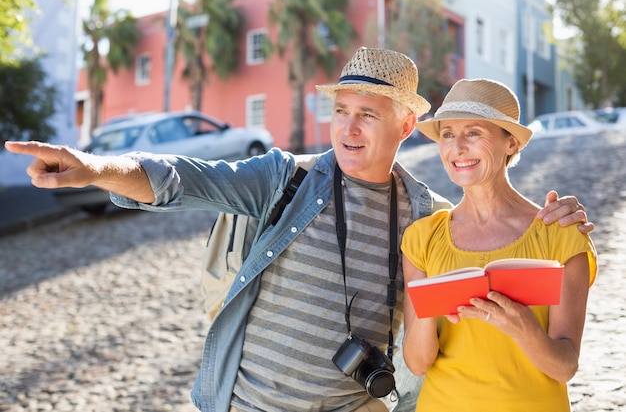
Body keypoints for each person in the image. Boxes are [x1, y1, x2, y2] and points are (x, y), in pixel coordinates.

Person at [4, 48, 592, 412]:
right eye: (341, 110)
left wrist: (561, 221)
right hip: (249, 404)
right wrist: (90, 167)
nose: (349, 127)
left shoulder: (426, 214)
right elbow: (183, 176)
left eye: (368, 113)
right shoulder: (285, 179)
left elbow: (492, 226)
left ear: (407, 124)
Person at [400, 78, 597, 411]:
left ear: (510, 143)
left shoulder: (560, 232)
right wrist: (430, 304)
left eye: (473, 133)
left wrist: (522, 328)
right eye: (448, 134)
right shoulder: (422, 238)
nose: (457, 148)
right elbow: (418, 364)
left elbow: (565, 367)